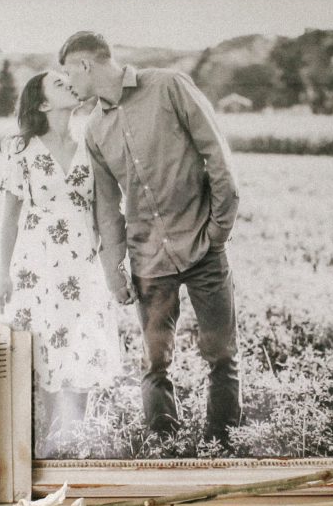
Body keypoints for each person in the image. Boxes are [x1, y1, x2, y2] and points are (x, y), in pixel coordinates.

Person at [58, 30, 242, 449]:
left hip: (202, 246)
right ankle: (164, 448)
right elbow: (107, 208)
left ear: (86, 64)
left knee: (222, 356)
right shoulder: (93, 130)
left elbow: (218, 157)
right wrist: (114, 271)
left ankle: (225, 446)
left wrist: (217, 231)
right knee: (154, 362)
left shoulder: (169, 86)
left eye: (70, 72)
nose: (69, 83)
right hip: (147, 261)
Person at [0, 70, 121, 456]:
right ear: (44, 103)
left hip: (82, 267)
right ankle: (49, 444)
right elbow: (9, 219)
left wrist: (113, 267)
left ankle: (76, 439)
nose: (69, 83)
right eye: (58, 83)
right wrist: (2, 273)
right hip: (38, 267)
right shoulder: (22, 150)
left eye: (69, 80)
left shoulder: (92, 143)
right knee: (46, 349)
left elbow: (106, 213)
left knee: (81, 345)